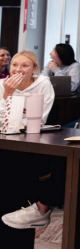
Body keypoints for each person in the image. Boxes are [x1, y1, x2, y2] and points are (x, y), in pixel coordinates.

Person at [0, 52, 60, 232]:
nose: (18, 69)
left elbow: (40, 118)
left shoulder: (43, 84)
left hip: (31, 140)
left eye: (25, 66)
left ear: (35, 69)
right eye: (14, 65)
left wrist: (14, 120)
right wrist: (7, 93)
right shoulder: (2, 85)